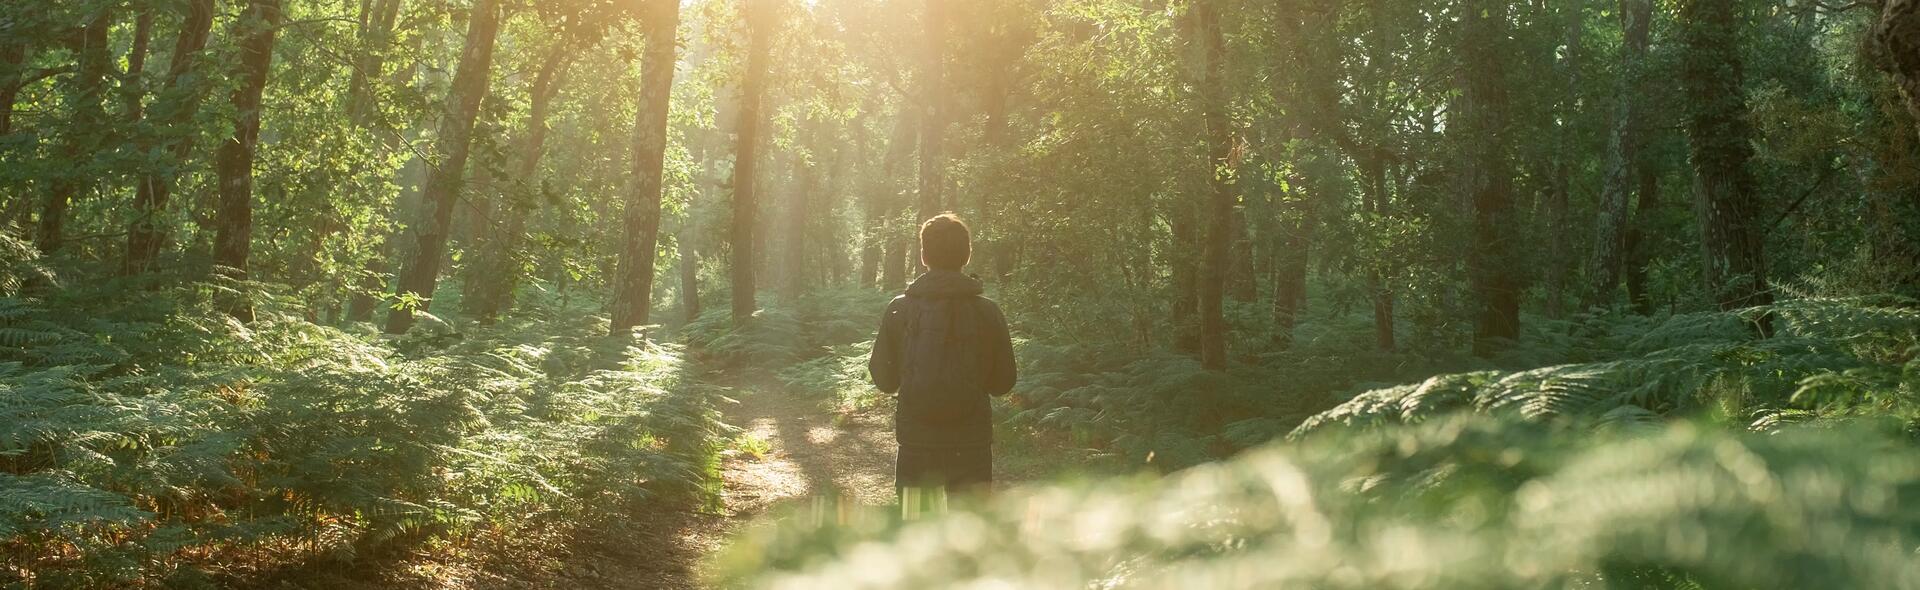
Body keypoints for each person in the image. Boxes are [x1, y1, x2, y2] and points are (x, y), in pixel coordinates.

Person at [869, 213, 1017, 500]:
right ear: (967, 254)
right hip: (971, 442)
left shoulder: (899, 309)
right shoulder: (987, 312)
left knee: (915, 528)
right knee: (969, 533)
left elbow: (884, 379)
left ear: (924, 255)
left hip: (916, 441)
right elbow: (1003, 383)